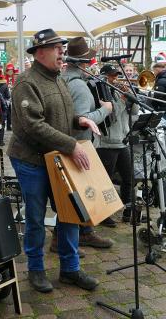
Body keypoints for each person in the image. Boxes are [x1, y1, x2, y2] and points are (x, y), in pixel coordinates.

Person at [8, 28, 100, 293]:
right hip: (32, 161)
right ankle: (35, 270)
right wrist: (71, 144)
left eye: (62, 47)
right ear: (39, 52)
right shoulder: (26, 82)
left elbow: (59, 116)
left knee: (70, 212)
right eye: (56, 47)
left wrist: (78, 119)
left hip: (57, 157)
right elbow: (33, 125)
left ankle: (70, 269)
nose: (62, 52)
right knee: (36, 217)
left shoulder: (58, 79)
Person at [60, 37, 115, 250]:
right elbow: (83, 121)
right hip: (79, 145)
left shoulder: (62, 80)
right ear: (83, 64)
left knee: (71, 194)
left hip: (66, 144)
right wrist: (106, 110)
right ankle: (82, 233)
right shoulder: (80, 87)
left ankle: (77, 233)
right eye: (90, 62)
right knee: (81, 193)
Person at [97, 64, 139, 222]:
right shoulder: (101, 93)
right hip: (107, 144)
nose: (115, 79)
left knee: (129, 178)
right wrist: (122, 100)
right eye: (112, 76)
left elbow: (134, 112)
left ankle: (127, 211)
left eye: (116, 75)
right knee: (106, 182)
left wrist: (131, 95)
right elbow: (111, 116)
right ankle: (104, 214)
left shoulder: (118, 91)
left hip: (122, 141)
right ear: (104, 77)